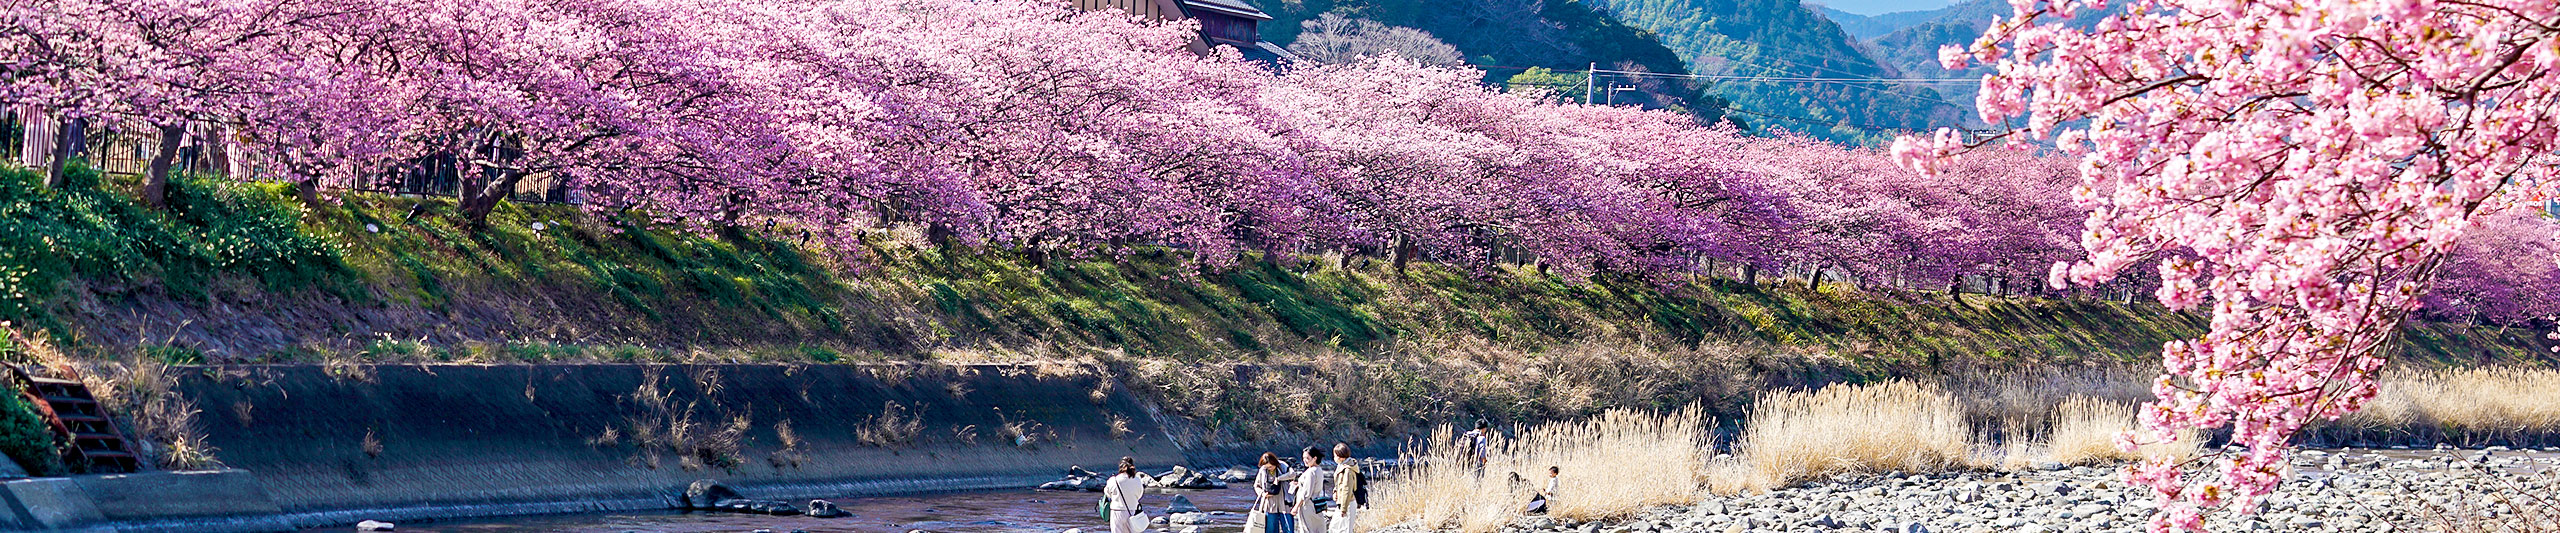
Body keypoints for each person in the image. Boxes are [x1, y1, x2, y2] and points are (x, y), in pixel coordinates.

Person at [1248, 452, 1298, 533]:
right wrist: (1262, 494)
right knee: (1270, 530)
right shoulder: (1263, 470)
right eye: (1267, 467)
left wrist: (1279, 478)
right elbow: (1256, 485)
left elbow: (1292, 474)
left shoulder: (1283, 466)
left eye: (1271, 466)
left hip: (1285, 504)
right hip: (1269, 505)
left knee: (1288, 529)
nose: (1269, 468)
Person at [1106, 456, 1151, 533]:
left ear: (1120, 467)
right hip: (1132, 511)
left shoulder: (1113, 480)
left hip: (1116, 511)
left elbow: (1107, 493)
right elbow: (1139, 495)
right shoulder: (1137, 480)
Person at [1292, 447, 1331, 533]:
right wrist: (1299, 484)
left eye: (1307, 458)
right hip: (1316, 504)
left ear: (1314, 458)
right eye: (1303, 458)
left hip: (1307, 505)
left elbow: (1306, 493)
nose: (1305, 460)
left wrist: (1296, 507)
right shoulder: (1318, 469)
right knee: (1318, 529)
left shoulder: (1311, 472)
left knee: (1307, 529)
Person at [1329, 443, 1363, 533]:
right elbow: (1339, 483)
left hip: (1348, 502)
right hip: (1343, 502)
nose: (1334, 458)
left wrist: (1343, 509)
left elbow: (1347, 489)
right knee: (1334, 528)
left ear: (1341, 457)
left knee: (1345, 529)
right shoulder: (1341, 466)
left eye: (1335, 456)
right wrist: (1335, 491)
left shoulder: (1348, 470)